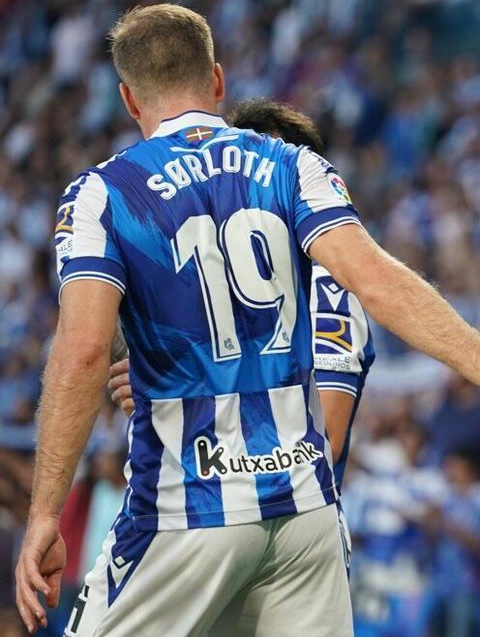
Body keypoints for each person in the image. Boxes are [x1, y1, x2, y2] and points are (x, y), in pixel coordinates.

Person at [14, 4, 480, 635]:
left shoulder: (104, 194)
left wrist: (45, 514)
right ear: (217, 80)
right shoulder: (293, 166)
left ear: (129, 101)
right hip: (304, 513)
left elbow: (81, 352)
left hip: (188, 506)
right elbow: (375, 280)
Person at [108, 97, 373, 489]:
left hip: (291, 526)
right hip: (201, 514)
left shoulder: (329, 288)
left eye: (259, 168)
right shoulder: (210, 284)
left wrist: (175, 385)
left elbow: (325, 443)